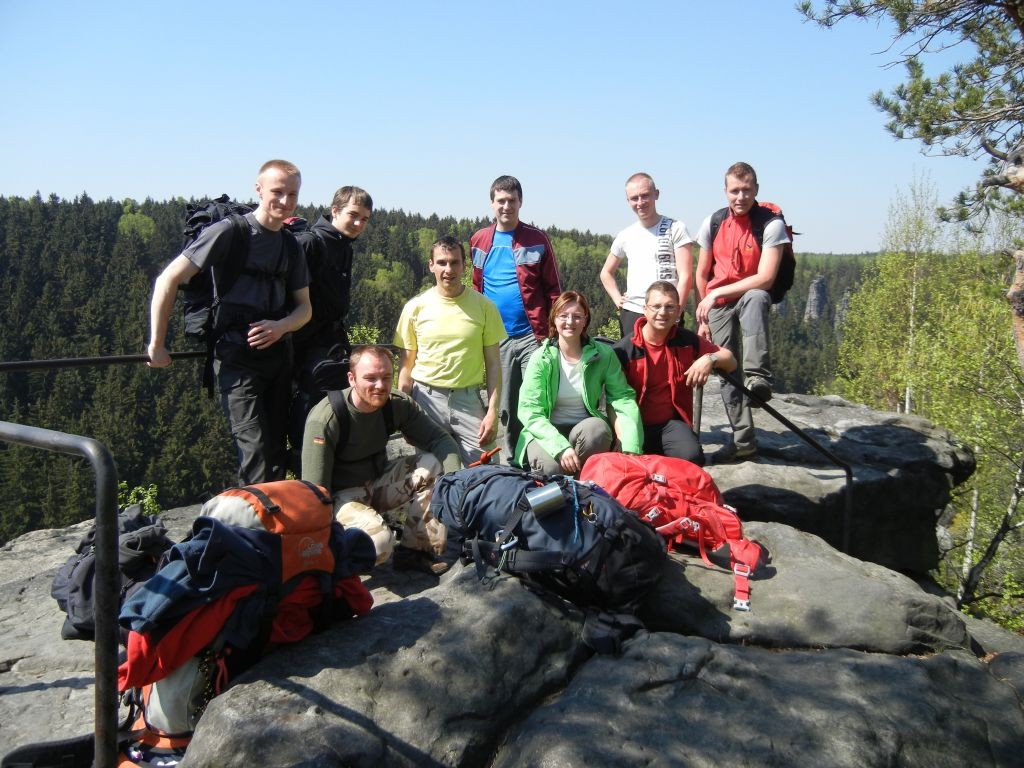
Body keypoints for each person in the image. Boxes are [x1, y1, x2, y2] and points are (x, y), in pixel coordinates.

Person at [147, 159, 312, 485]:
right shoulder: (230, 232)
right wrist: (156, 343)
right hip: (236, 358)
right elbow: (168, 280)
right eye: (277, 192)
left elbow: (304, 309)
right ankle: (254, 528)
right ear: (258, 189)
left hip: (278, 359)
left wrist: (281, 327)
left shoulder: (291, 245)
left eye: (292, 194)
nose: (285, 201)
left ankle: (276, 528)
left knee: (277, 450)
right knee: (256, 450)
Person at [301, 345, 462, 576]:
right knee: (379, 545)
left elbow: (441, 440)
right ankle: (341, 564)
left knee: (433, 463)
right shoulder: (326, 418)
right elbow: (314, 492)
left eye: (386, 377)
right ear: (351, 378)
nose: (380, 385)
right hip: (341, 497)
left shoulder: (396, 404)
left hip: (378, 482)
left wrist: (453, 482)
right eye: (370, 378)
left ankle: (416, 552)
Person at [695, 162, 790, 463]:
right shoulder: (713, 223)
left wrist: (719, 292)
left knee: (757, 297)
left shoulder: (770, 224)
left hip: (743, 296)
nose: (740, 197)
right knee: (725, 368)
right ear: (725, 192)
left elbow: (766, 278)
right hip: (718, 304)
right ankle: (744, 441)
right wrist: (703, 315)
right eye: (734, 191)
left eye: (746, 190)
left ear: (756, 190)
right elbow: (701, 274)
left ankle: (758, 379)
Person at [470, 175, 561, 462]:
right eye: (501, 201)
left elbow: (554, 290)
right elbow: (476, 288)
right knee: (507, 406)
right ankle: (513, 465)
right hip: (497, 339)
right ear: (492, 203)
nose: (506, 206)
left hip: (533, 336)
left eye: (512, 200)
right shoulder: (479, 240)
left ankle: (541, 461)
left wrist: (555, 333)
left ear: (520, 202)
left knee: (537, 402)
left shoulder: (537, 239)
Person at [394, 236, 506, 465]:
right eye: (442, 262)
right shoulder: (414, 308)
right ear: (431, 265)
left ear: (464, 265)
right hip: (425, 400)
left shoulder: (485, 307)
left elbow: (494, 364)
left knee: (487, 470)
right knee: (431, 472)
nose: (448, 269)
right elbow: (405, 368)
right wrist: (403, 414)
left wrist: (492, 411)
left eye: (455, 262)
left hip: (467, 399)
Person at [287, 186, 373, 470]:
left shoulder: (342, 245)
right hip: (306, 354)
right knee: (311, 424)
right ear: (335, 210)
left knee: (334, 418)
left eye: (365, 218)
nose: (359, 223)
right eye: (353, 215)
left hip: (329, 347)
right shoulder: (310, 244)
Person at [517, 291, 642, 475]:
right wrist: (561, 448)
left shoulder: (603, 354)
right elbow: (530, 411)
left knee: (597, 431)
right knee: (552, 469)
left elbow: (622, 398)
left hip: (584, 429)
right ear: (554, 320)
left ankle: (585, 486)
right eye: (563, 316)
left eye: (577, 316)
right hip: (547, 431)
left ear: (585, 320)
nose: (570, 322)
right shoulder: (540, 359)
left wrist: (630, 442)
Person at [614, 281, 735, 466]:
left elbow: (730, 361)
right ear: (645, 309)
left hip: (672, 425)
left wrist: (710, 359)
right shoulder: (624, 350)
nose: (662, 312)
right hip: (634, 425)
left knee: (692, 459)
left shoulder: (685, 340)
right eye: (656, 306)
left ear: (678, 310)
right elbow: (611, 400)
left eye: (669, 307)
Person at [600, 173, 695, 337]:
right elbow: (606, 273)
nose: (640, 202)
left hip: (667, 312)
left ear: (656, 194)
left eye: (645, 196)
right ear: (628, 201)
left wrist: (677, 311)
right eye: (634, 198)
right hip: (633, 312)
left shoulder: (676, 228)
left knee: (671, 361)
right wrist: (617, 299)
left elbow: (685, 275)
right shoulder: (625, 235)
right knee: (633, 362)